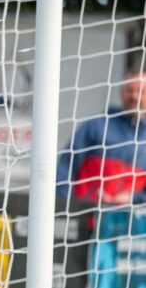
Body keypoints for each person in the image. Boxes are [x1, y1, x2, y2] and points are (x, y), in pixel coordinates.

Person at [57, 71, 146, 205]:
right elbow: (66, 167)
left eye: (141, 91)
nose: (134, 96)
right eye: (129, 90)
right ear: (121, 92)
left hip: (132, 221)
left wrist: (132, 198)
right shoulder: (96, 126)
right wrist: (63, 207)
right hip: (87, 216)